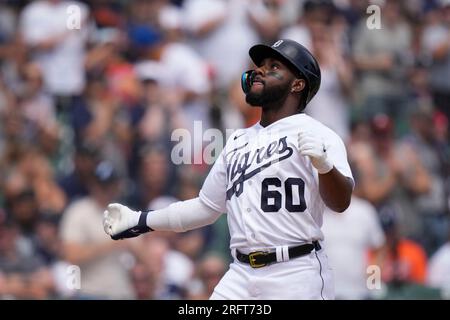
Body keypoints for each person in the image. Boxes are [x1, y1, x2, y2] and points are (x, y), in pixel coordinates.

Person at [103, 39, 354, 299]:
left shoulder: (319, 134)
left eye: (274, 66)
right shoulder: (237, 140)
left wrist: (325, 166)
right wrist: (140, 220)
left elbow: (340, 202)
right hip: (241, 274)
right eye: (260, 65)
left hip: (296, 271)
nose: (260, 70)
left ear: (297, 84)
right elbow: (205, 208)